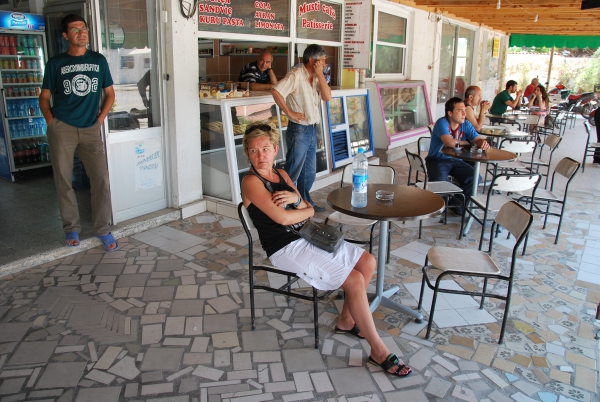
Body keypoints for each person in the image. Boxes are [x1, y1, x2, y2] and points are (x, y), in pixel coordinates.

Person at [241, 123, 412, 377]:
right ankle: (379, 350)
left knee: (367, 262)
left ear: (276, 149)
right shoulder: (251, 182)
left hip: (306, 234)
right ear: (247, 154)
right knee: (354, 281)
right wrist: (301, 208)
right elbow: (284, 219)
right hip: (286, 247)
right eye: (254, 151)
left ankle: (346, 320)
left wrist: (299, 203)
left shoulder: (282, 175)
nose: (260, 156)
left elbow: (308, 206)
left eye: (265, 148)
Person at [39, 14, 118, 251]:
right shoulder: (55, 63)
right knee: (63, 180)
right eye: (75, 30)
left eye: (84, 29)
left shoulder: (98, 60)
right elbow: (44, 97)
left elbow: (110, 93)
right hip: (62, 127)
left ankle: (102, 229)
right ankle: (71, 228)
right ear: (65, 36)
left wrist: (101, 119)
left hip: (90, 128)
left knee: (101, 180)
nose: (82, 33)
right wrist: (51, 121)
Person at [271, 44, 332, 212]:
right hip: (299, 130)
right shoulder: (296, 75)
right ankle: (284, 206)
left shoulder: (317, 77)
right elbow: (276, 91)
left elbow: (327, 97)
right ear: (312, 60)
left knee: (309, 172)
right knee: (293, 172)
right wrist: (290, 112)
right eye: (322, 60)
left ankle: (305, 202)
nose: (325, 63)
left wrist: (320, 74)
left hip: (312, 129)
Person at [426, 98, 490, 208]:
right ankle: (439, 207)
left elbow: (477, 139)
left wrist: (482, 142)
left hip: (456, 160)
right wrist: (465, 142)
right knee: (440, 183)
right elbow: (449, 143)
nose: (464, 113)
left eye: (465, 110)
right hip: (437, 159)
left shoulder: (466, 124)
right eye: (460, 110)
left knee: (474, 178)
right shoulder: (442, 123)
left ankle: (456, 205)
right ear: (450, 113)